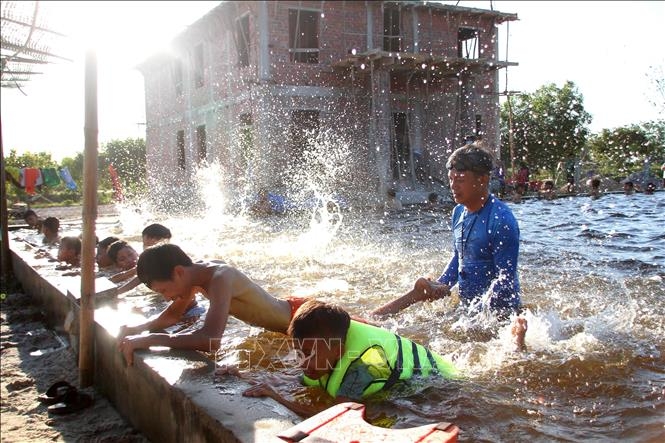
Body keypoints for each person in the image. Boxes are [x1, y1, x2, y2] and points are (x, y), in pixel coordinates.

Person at [371, 143, 523, 322]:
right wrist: (440, 284)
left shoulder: (502, 220)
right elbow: (459, 257)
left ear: (482, 179)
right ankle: (373, 318)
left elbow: (505, 279)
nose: (453, 186)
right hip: (469, 309)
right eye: (451, 179)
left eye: (459, 180)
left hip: (500, 315)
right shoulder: (458, 212)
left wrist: (478, 319)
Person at [241, 299, 462, 417]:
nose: (302, 362)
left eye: (308, 354)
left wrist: (278, 399)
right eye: (299, 352)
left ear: (339, 351)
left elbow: (333, 414)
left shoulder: (360, 367)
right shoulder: (324, 351)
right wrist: (245, 376)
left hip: (439, 384)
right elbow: (294, 381)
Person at [117, 243, 316, 366]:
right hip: (290, 318)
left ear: (178, 272)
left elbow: (210, 341)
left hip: (306, 320)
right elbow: (172, 315)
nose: (168, 297)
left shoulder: (220, 277)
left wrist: (150, 339)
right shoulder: (193, 275)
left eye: (164, 290)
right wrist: (137, 329)